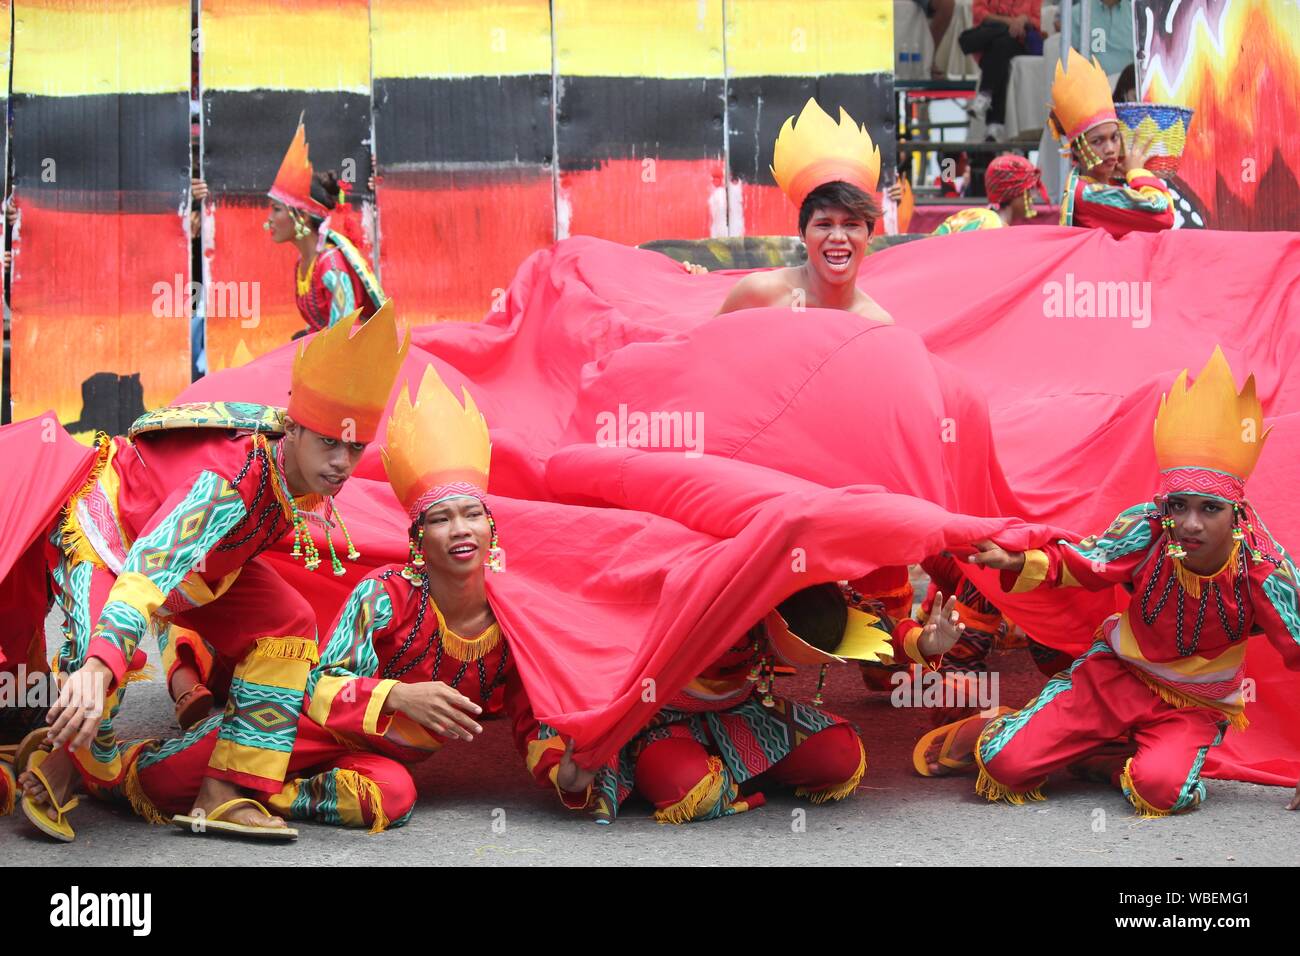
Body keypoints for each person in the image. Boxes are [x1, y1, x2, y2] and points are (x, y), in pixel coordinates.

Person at [63, 366, 586, 837]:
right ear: (417, 538)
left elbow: (532, 713)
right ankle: (78, 763)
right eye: (440, 518)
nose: (459, 531)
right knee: (149, 767)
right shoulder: (386, 596)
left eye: (471, 515)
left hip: (355, 744)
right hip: (281, 710)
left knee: (394, 793)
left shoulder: (508, 619)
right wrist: (397, 698)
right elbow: (155, 566)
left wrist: (569, 768)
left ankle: (244, 790)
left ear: (492, 529)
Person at [14, 304, 409, 841]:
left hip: (196, 567)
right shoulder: (230, 477)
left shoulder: (305, 476)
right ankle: (65, 763)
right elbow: (149, 570)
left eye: (355, 448)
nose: (342, 462)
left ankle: (224, 792)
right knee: (102, 651)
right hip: (114, 533)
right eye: (328, 443)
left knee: (289, 624)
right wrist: (99, 665)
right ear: (291, 428)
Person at [930, 349, 1300, 815]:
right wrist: (1013, 558)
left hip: (1193, 705)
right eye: (1178, 505)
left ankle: (1111, 761)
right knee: (1005, 766)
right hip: (1114, 677)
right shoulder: (1148, 527)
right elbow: (1087, 561)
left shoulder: (1264, 570)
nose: (1190, 524)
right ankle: (1011, 728)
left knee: (1161, 792)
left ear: (1236, 513)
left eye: (1209, 509)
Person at [584, 581, 967, 823]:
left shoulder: (803, 581)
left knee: (840, 758)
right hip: (660, 723)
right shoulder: (705, 595)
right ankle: (709, 770)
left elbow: (863, 623)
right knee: (692, 790)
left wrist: (925, 643)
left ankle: (733, 767)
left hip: (738, 714)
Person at [717, 99, 893, 324]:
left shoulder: (876, 323)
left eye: (851, 224)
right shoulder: (759, 293)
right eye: (824, 224)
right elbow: (704, 347)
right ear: (801, 232)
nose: (838, 237)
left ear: (869, 235)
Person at [264, 116, 385, 335]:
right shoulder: (303, 264)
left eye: (277, 209)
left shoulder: (331, 266)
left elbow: (342, 334)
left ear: (303, 217)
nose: (270, 218)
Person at [1050, 49, 1173, 235]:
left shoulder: (1105, 182)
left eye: (1114, 137)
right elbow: (1163, 215)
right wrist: (1138, 172)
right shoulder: (1089, 194)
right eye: (1097, 141)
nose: (1110, 149)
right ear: (1075, 149)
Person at [964, 0, 1044, 142]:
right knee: (1001, 47)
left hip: (1018, 41)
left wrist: (1023, 19)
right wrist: (1008, 22)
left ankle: (986, 95)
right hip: (993, 39)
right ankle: (995, 124)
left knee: (1001, 46)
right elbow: (979, 12)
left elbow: (1037, 23)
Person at [930, 153, 1047, 234]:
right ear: (1016, 192)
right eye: (1029, 190)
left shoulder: (981, 218)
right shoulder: (993, 226)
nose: (1034, 196)